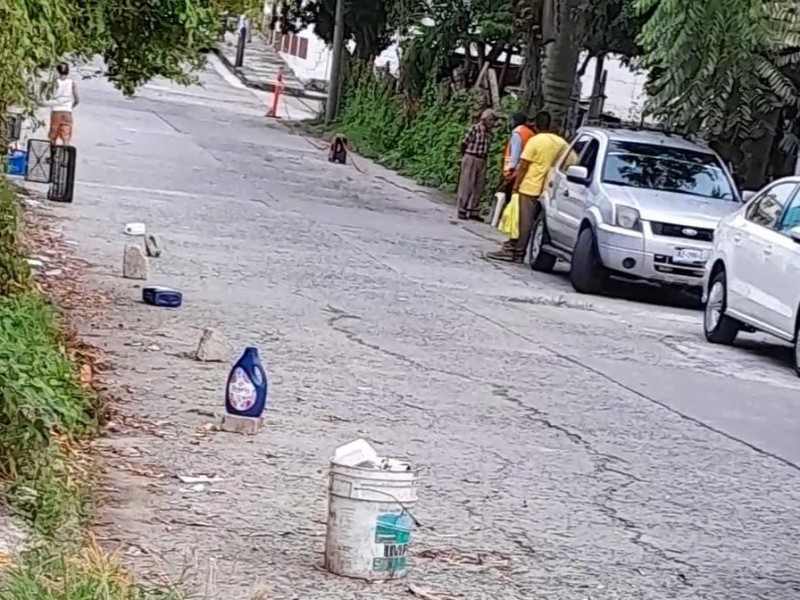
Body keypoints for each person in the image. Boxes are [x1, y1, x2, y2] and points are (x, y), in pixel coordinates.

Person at [486, 111, 571, 263]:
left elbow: (524, 165)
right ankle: (524, 250)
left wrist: (516, 186)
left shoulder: (535, 140)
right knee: (537, 222)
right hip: (550, 190)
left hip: (530, 186)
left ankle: (516, 251)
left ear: (536, 125)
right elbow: (571, 163)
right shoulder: (562, 144)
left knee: (522, 221)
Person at [457, 109, 497, 221]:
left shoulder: (489, 133)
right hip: (471, 157)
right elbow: (464, 142)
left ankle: (473, 210)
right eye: (490, 120)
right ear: (484, 119)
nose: (492, 123)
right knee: (467, 184)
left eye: (493, 121)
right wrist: (464, 156)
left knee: (479, 186)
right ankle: (462, 208)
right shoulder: (475, 129)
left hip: (482, 159)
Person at [48, 63, 79, 146]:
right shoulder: (72, 83)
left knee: (53, 134)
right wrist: (71, 107)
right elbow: (77, 100)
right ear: (67, 71)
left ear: (58, 71)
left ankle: (53, 156)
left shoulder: (54, 82)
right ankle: (65, 155)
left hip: (56, 110)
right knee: (66, 134)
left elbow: (48, 95)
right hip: (67, 111)